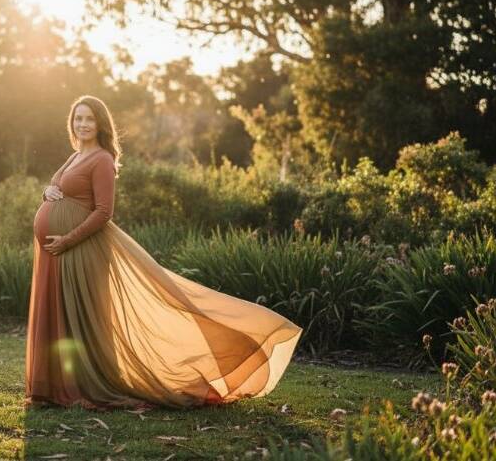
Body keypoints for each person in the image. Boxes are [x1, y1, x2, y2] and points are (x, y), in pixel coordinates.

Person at [25, 95, 302, 410]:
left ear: (100, 124)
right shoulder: (75, 156)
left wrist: (67, 240)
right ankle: (52, 386)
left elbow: (104, 212)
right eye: (78, 118)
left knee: (78, 320)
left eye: (89, 119)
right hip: (55, 252)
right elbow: (60, 189)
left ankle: (79, 386)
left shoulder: (101, 159)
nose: (83, 124)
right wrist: (48, 192)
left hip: (77, 249)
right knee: (58, 313)